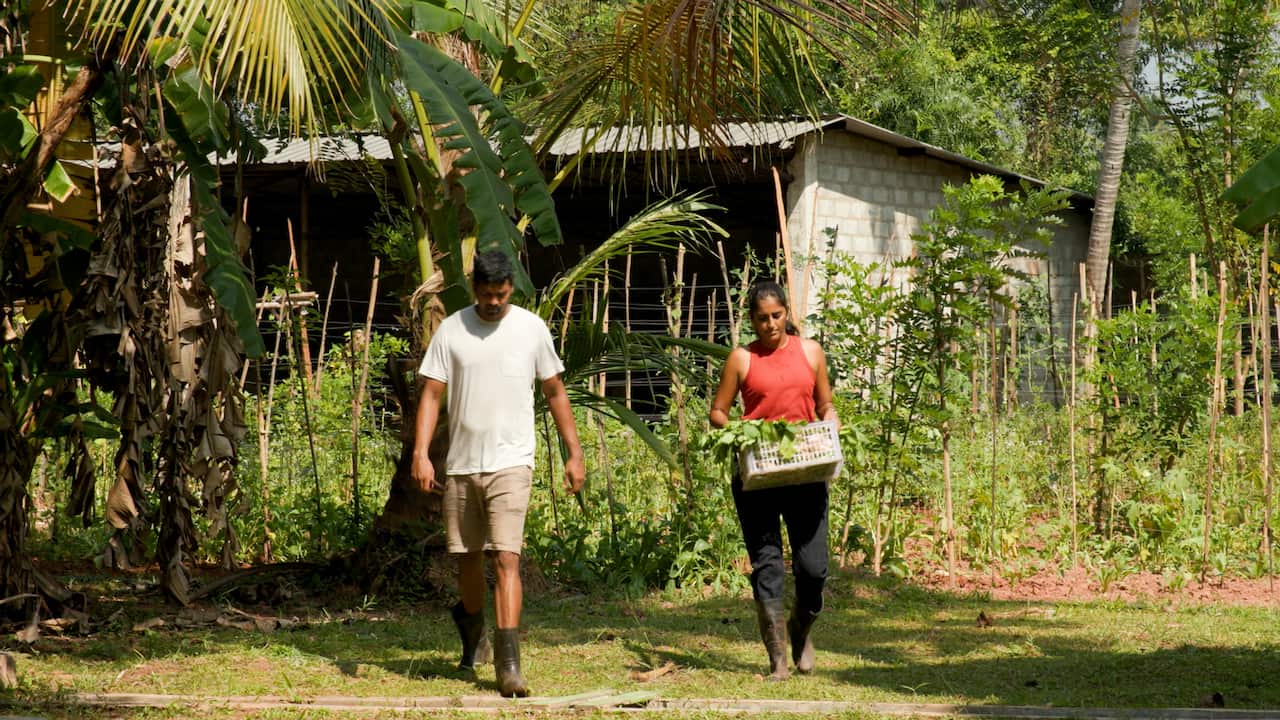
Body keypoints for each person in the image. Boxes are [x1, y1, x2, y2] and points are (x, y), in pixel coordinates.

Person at [410, 250, 586, 698]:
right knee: (466, 558)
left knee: (505, 556)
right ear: (474, 291)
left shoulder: (531, 329)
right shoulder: (451, 331)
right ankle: (474, 635)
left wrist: (574, 452)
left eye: (501, 295)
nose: (493, 303)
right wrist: (422, 453)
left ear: (512, 289)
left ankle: (509, 666)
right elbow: (432, 395)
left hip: (513, 461)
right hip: (463, 464)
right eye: (486, 295)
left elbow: (554, 390)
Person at [708, 279, 838, 680]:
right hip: (759, 474)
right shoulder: (741, 359)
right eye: (762, 319)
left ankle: (801, 630)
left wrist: (831, 419)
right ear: (752, 320)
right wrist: (737, 431)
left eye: (777, 316)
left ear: (787, 314)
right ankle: (778, 658)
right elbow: (718, 411)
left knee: (812, 568)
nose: (770, 325)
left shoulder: (811, 352)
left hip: (805, 470)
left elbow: (825, 403)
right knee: (767, 565)